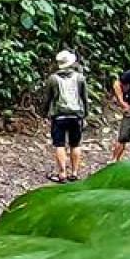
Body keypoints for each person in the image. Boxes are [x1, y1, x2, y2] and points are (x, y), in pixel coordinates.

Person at [41, 50, 88, 182]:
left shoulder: (53, 79)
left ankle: (62, 173)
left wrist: (44, 112)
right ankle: (74, 172)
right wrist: (85, 114)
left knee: (59, 144)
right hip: (76, 115)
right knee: (75, 144)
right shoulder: (80, 78)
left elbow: (48, 98)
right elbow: (84, 97)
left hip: (59, 116)